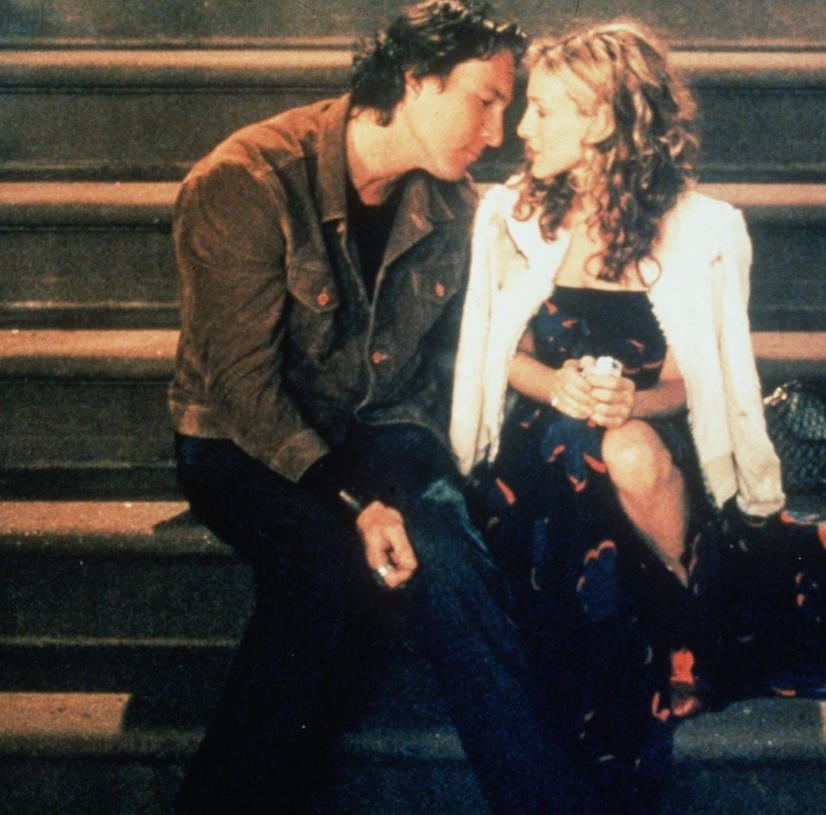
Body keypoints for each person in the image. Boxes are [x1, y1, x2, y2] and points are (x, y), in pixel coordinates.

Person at [450, 22, 826, 814]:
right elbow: (499, 354)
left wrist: (632, 402)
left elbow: (696, 381)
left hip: (654, 431)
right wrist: (557, 386)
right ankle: (671, 648)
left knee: (631, 452)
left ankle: (679, 632)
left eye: (543, 110)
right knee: (583, 451)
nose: (520, 128)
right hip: (541, 431)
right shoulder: (510, 214)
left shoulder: (703, 230)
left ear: (599, 121)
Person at [167, 2, 612, 813]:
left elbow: (464, 350)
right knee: (324, 565)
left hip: (382, 428)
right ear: (415, 80)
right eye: (485, 100)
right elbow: (241, 391)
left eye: (510, 108)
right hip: (247, 444)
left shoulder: (455, 206)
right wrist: (355, 502)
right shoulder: (247, 180)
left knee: (446, 547)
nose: (499, 131)